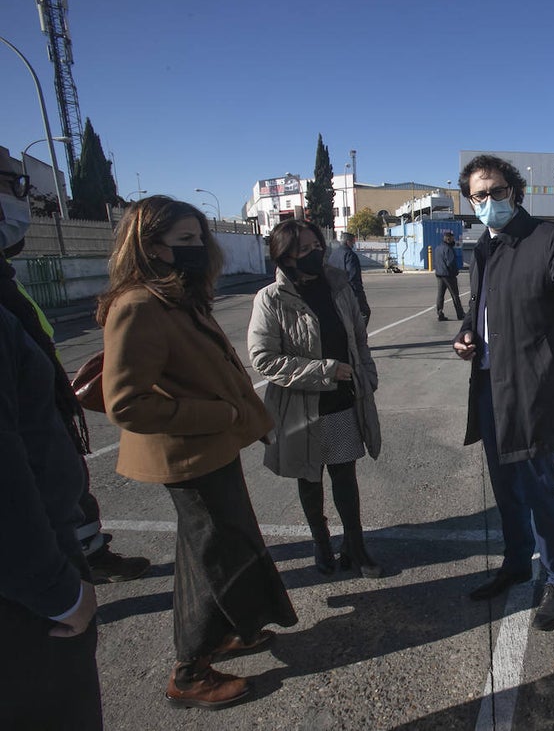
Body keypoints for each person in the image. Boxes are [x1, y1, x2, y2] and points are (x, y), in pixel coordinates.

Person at [98, 196, 297, 709]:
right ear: (149, 246)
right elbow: (127, 404)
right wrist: (220, 417)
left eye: (198, 238)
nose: (197, 249)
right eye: (184, 241)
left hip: (210, 449)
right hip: (187, 452)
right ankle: (190, 672)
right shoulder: (138, 305)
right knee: (216, 556)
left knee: (213, 548)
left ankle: (232, 631)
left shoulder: (175, 295)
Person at [452, 154, 554, 630]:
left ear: (515, 192)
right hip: (488, 387)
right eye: (478, 196)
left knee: (540, 490)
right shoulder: (483, 246)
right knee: (504, 489)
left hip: (529, 390)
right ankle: (516, 563)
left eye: (496, 192)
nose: (488, 202)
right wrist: (465, 334)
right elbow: (478, 307)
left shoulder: (547, 238)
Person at [0, 150, 149, 584]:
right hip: (28, 441)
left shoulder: (6, 278)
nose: (22, 198)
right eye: (12, 184)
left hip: (46, 415)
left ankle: (89, 555)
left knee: (69, 496)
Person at [1, 176, 102, 730]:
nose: (19, 194)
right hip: (28, 594)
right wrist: (58, 592)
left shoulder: (7, 290)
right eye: (7, 181)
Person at [248, 220, 384, 578]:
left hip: (342, 402)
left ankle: (354, 546)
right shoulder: (271, 299)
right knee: (309, 480)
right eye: (304, 250)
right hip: (300, 408)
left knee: (345, 478)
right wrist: (325, 370)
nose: (315, 253)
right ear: (285, 256)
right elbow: (263, 359)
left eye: (317, 246)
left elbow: (358, 337)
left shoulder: (338, 285)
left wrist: (367, 376)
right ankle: (320, 541)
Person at [328, 231, 370, 324]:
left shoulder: (333, 254)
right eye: (353, 242)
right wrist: (359, 293)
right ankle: (357, 335)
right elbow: (353, 276)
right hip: (350, 291)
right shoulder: (350, 255)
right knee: (364, 313)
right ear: (348, 242)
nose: (354, 244)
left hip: (334, 291)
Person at [434, 229, 465, 321]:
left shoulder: (438, 248)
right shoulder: (448, 249)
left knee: (440, 295)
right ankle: (460, 314)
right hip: (448, 275)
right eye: (452, 238)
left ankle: (440, 313)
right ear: (449, 239)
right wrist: (455, 272)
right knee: (455, 295)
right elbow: (450, 263)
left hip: (439, 274)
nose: (453, 240)